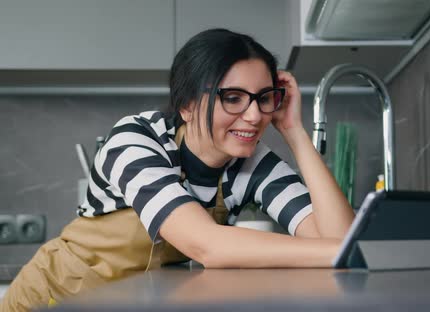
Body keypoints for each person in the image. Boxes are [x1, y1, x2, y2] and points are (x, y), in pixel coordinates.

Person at [0, 28, 354, 311]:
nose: (254, 115)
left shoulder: (252, 163)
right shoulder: (137, 139)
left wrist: (294, 132)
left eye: (263, 97)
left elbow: (338, 237)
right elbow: (208, 246)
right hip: (54, 300)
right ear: (186, 104)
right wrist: (341, 251)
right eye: (232, 97)